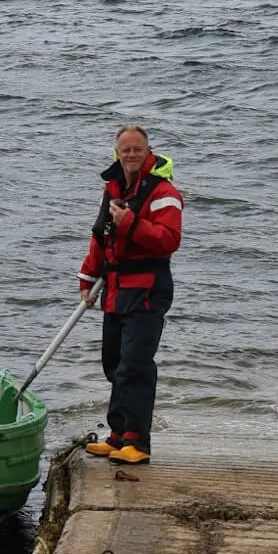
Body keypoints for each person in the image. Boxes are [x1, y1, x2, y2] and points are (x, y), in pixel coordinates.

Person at [78, 125, 183, 464]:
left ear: (148, 151)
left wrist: (129, 223)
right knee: (114, 364)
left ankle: (138, 443)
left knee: (135, 367)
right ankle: (118, 434)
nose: (132, 154)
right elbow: (100, 238)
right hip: (115, 290)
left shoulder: (165, 192)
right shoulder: (111, 190)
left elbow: (169, 239)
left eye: (137, 149)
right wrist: (87, 276)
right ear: (117, 153)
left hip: (149, 290)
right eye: (126, 149)